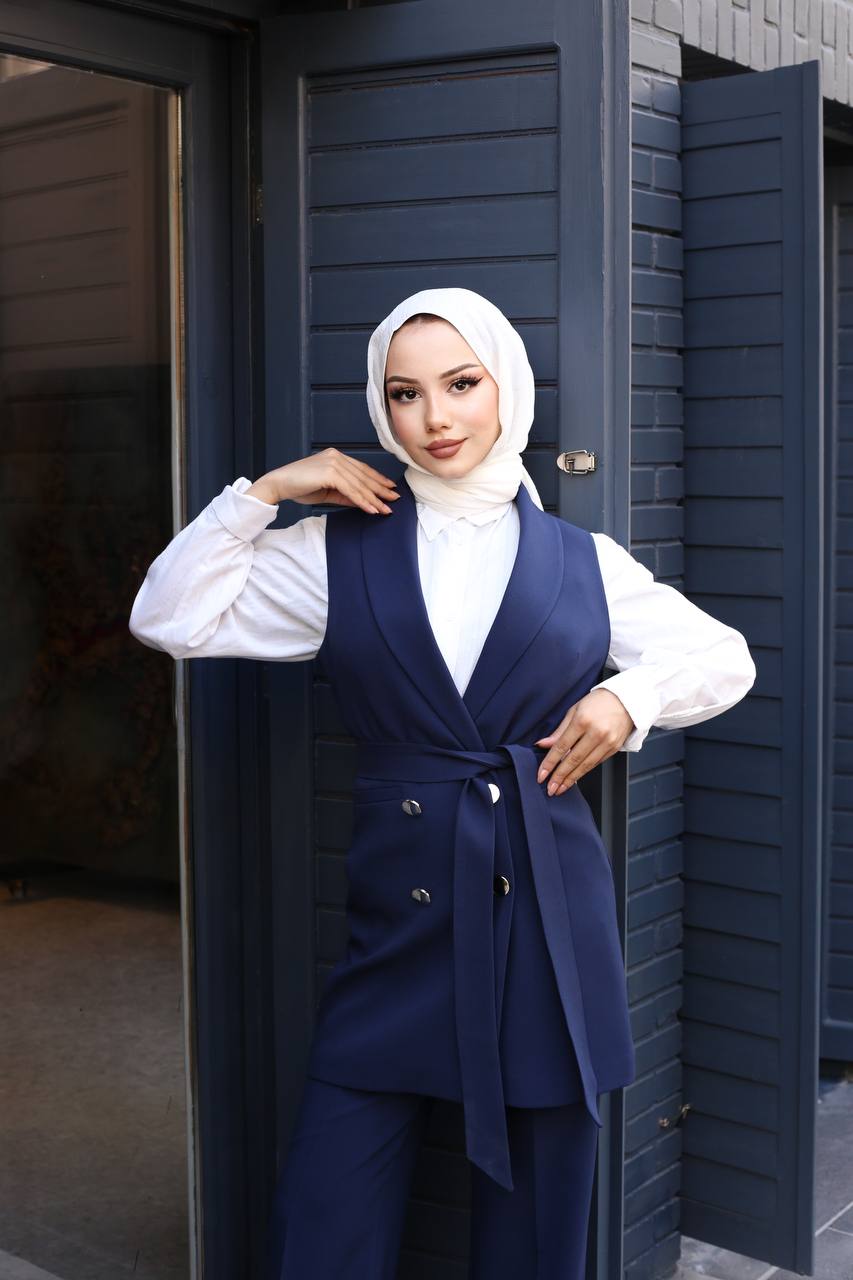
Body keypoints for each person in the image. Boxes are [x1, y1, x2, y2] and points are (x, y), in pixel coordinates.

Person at [129, 287, 756, 1279]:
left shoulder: (581, 559)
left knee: (542, 1195)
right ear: (383, 411)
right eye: (406, 393)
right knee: (332, 1190)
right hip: (402, 907)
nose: (436, 416)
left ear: (504, 385)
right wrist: (265, 492)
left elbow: (725, 658)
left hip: (545, 909)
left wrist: (626, 701)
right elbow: (169, 615)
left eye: (461, 383)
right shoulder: (334, 549)